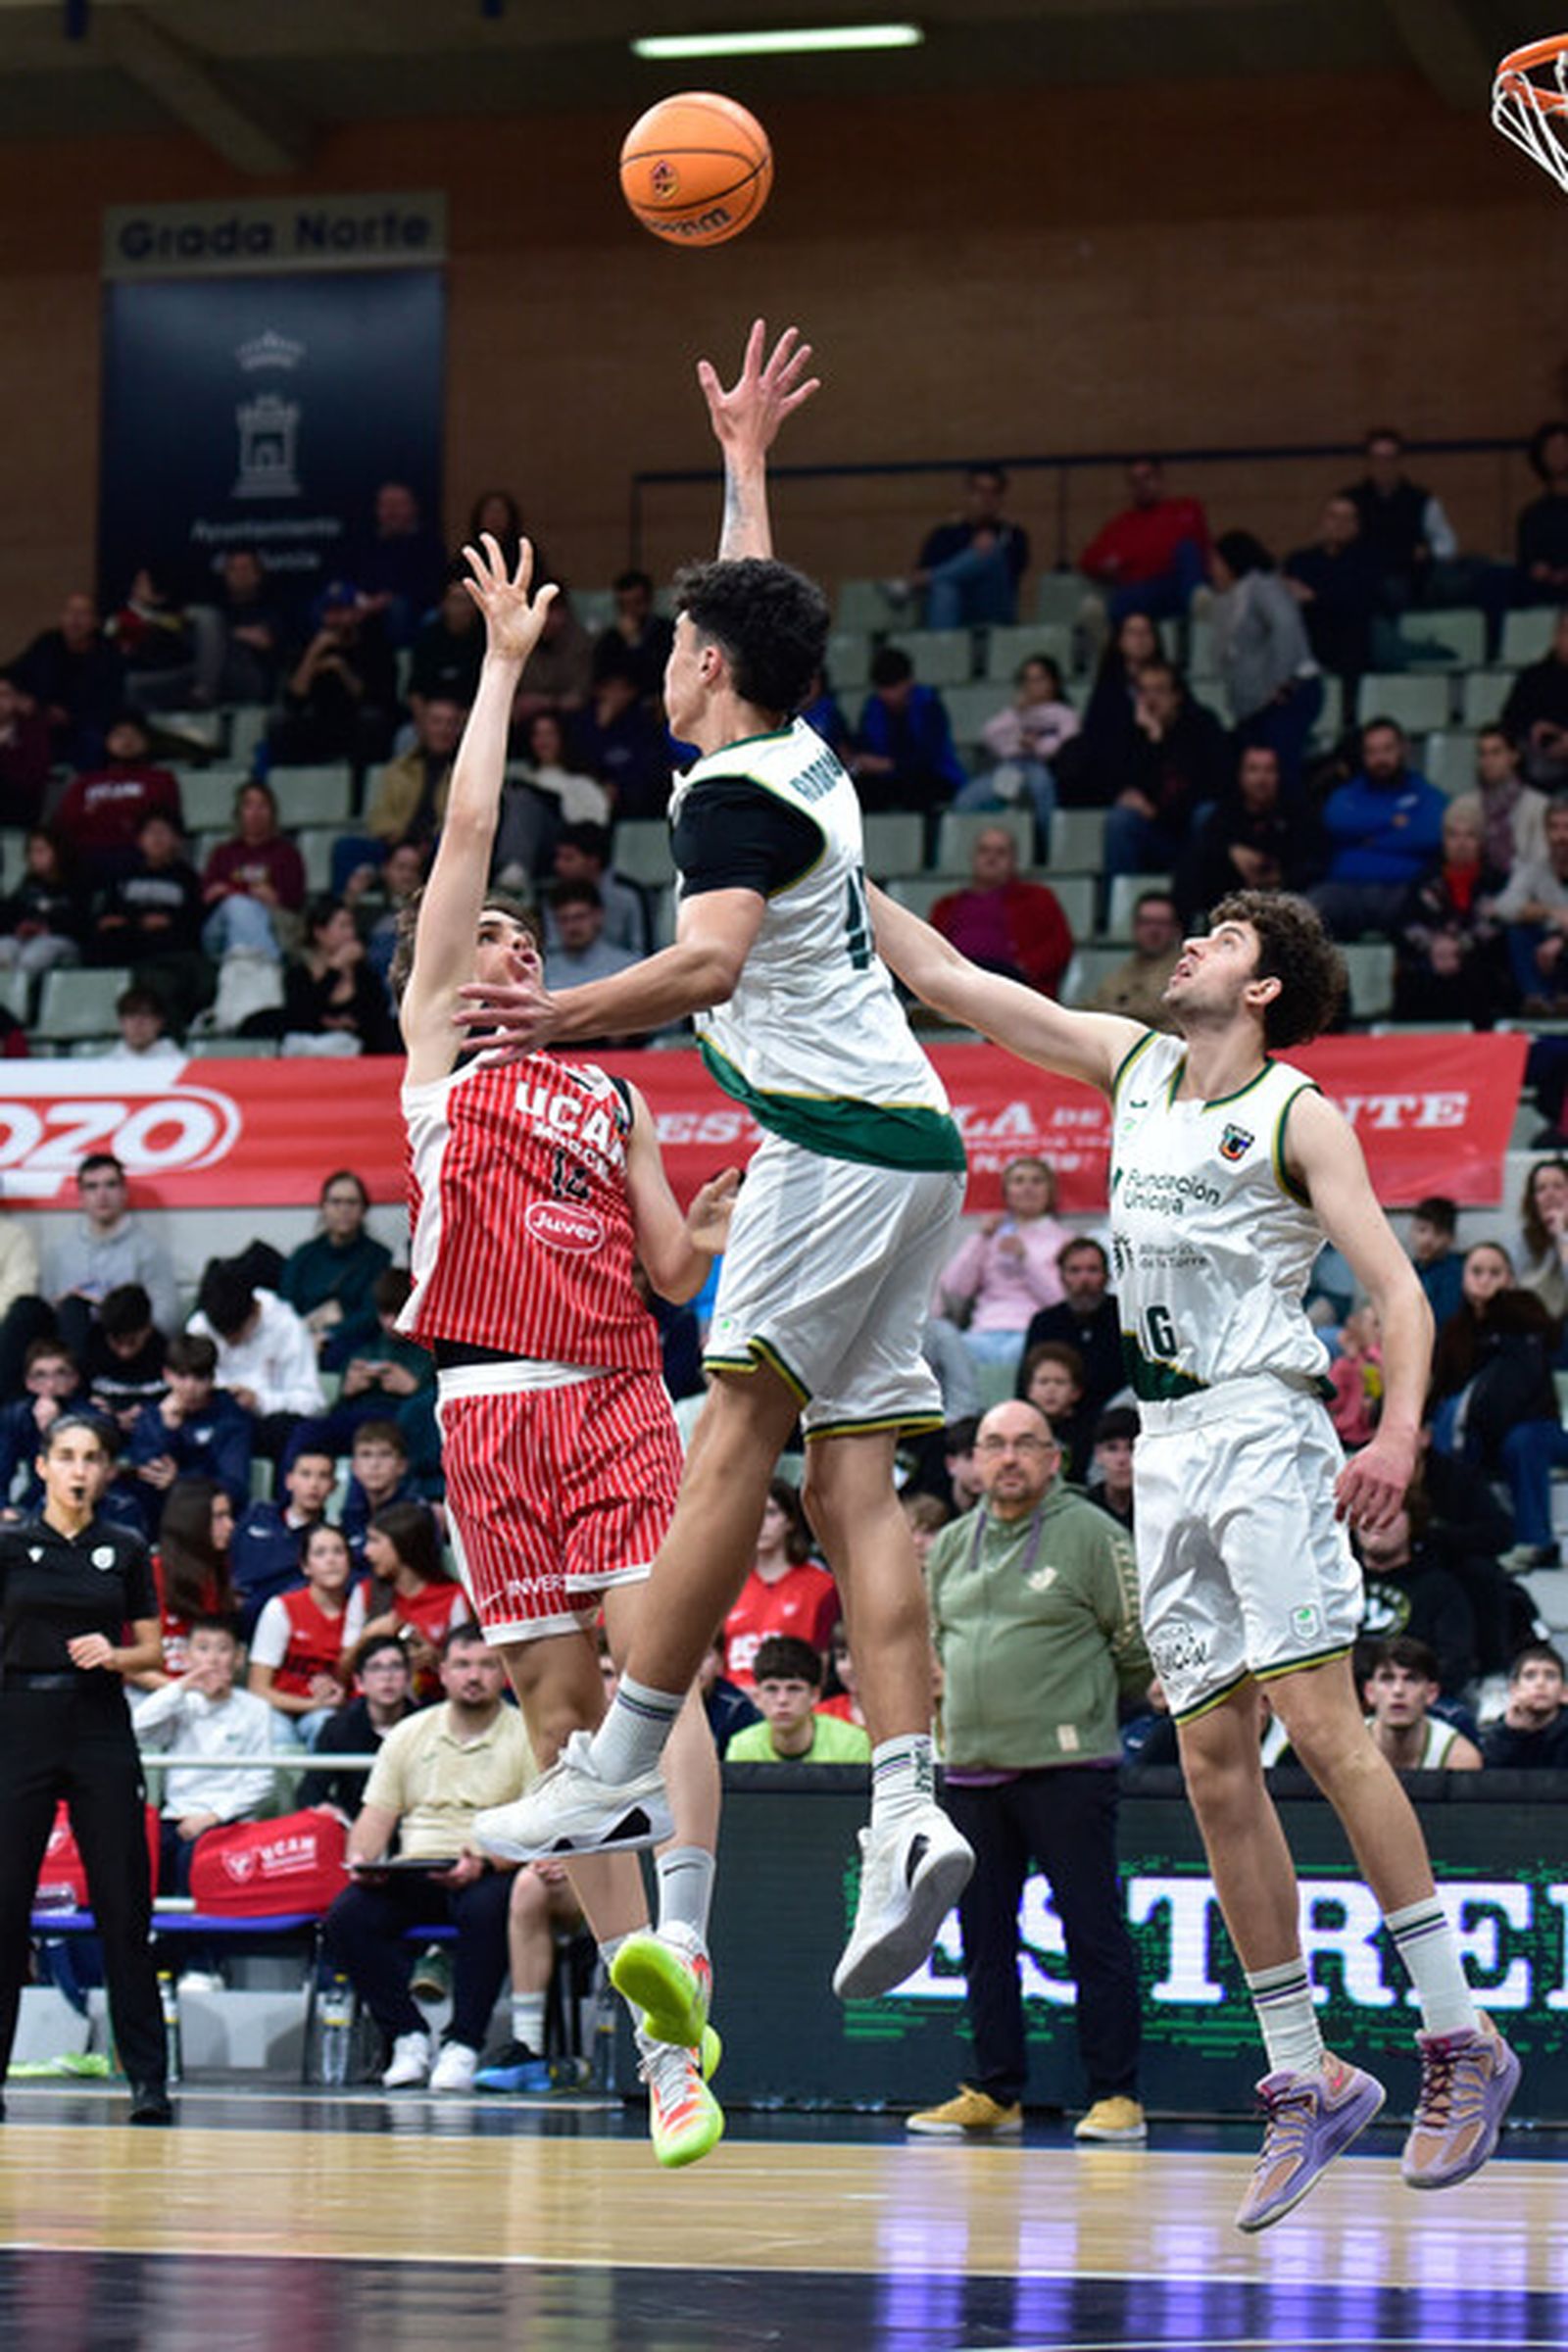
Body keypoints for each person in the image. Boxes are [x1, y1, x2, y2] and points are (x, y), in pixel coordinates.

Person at [867, 879, 1519, 2229]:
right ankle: (1306, 2073)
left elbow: (1398, 1289)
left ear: (1267, 985)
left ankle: (1459, 2037)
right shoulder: (1136, 1064)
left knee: (1324, 1734)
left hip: (1266, 1433)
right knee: (1214, 1764)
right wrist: (825, 850)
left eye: (1223, 938)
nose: (1192, 949)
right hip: (1162, 1450)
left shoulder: (1297, 1113)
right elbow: (951, 982)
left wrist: (1394, 1435)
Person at [457, 319, 975, 2012]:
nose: (663, 659)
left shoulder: (724, 810)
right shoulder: (792, 747)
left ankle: (613, 1759)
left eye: (674, 645)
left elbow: (708, 968)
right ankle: (906, 1809)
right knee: (858, 1486)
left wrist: (557, 1026)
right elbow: (757, 607)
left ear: (700, 670)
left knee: (733, 1440)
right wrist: (746, 461)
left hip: (827, 1148)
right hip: (914, 1143)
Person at [383, 526, 738, 2170]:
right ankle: (663, 2035)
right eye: (487, 944)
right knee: (555, 1703)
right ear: (443, 981)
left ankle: (705, 1947)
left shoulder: (609, 1087)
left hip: (613, 1392)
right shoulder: (437, 1076)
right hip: (483, 1412)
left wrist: (743, 1206)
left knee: (651, 1662)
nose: (512, 952)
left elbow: (673, 1267)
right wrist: (506, 664)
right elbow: (463, 825)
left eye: (533, 943)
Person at [909, 1397, 1150, 2144]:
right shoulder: (949, 1545)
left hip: (1067, 1767)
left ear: (1054, 1459)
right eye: (994, 1445)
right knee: (982, 1939)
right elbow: (929, 1642)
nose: (1008, 1457)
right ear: (974, 1461)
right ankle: (995, 2089)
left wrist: (1075, 1701)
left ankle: (1116, 2095)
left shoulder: (1093, 1536)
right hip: (972, 1768)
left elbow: (1135, 1644)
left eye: (1025, 1444)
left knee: (1092, 1933)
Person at [0, 1413, 169, 2123]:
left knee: (124, 1909)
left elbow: (154, 1652)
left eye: (92, 1457)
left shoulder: (125, 1548)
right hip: (19, 1723)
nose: (78, 1469)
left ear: (106, 1470)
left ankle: (148, 2083)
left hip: (99, 1724)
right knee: (6, 1910)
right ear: (42, 1466)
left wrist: (115, 1653)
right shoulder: (9, 1546)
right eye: (65, 1456)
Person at [322, 1623, 564, 2092]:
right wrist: (363, 1860)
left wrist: (488, 1861)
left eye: (487, 1665)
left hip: (489, 1865)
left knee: (487, 1905)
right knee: (347, 1915)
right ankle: (406, 2035)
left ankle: (462, 2043)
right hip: (417, 1865)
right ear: (442, 1674)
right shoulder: (410, 1734)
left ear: (504, 1674)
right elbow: (376, 1816)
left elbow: (539, 1829)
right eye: (462, 1664)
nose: (474, 1675)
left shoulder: (524, 1735)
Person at [133, 1615, 276, 1892]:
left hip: (228, 1819)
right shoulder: (180, 1703)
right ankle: (154, 1935)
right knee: (144, 1854)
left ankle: (191, 1935)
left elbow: (262, 1779)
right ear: (186, 1657)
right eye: (203, 1649)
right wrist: (182, 1685)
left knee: (193, 1859)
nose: (213, 1659)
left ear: (237, 1658)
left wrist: (213, 1817)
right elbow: (136, 1727)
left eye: (223, 1649)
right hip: (176, 1816)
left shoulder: (256, 1709)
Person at [938, 1154, 1069, 1391]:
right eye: (1018, 1181)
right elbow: (955, 1287)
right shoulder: (991, 1235)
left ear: (1050, 1191)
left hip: (1030, 1331)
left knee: (1019, 1355)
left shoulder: (1063, 1238)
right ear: (1007, 1191)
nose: (1027, 1187)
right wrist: (980, 1238)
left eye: (1037, 1181)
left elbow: (1061, 1301)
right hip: (983, 1331)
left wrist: (1025, 1261)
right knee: (942, 1340)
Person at [1309, 719, 1446, 940]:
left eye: (1387, 749)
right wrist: (1392, 820)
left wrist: (1367, 840)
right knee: (1306, 914)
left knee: (1432, 909)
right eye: (1372, 752)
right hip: (1346, 888)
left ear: (1404, 749)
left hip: (1403, 890)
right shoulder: (1347, 795)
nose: (1380, 759)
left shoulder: (1426, 793)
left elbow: (1431, 832)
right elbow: (1336, 820)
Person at [1206, 531, 1323, 792]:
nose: (1211, 569)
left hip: (1284, 697)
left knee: (1281, 775)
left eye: (1215, 562)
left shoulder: (1263, 587)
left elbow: (1286, 625)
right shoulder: (1232, 599)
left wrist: (1279, 681)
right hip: (1255, 707)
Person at [1102, 662, 1230, 879]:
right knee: (1119, 821)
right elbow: (1122, 786)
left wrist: (1157, 812)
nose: (1151, 699)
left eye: (1159, 690)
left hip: (1192, 829)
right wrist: (1153, 740)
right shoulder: (1133, 732)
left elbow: (1213, 786)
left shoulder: (1202, 725)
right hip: (1155, 834)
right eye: (1144, 691)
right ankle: (1120, 903)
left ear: (1176, 695)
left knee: (1207, 814)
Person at [44, 1152, 179, 1358]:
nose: (102, 1195)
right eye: (92, 1187)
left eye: (111, 1185)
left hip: (127, 1346)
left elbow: (168, 1319)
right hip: (72, 1349)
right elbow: (47, 1311)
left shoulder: (149, 1251)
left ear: (124, 1192)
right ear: (80, 1196)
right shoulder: (60, 1252)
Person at [1392, 795, 1509, 1027]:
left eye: (1470, 835)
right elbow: (1405, 925)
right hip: (1431, 963)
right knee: (1414, 979)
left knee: (1479, 976)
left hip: (1477, 966)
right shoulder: (1425, 880)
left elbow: (1499, 923)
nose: (1461, 843)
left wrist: (1458, 947)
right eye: (1453, 835)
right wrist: (1434, 946)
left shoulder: (1496, 881)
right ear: (1444, 840)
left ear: (1481, 842)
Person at [186, 1264, 324, 1462]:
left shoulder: (287, 1326)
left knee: (292, 1431)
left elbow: (313, 1403)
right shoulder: (201, 1325)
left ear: (255, 1310)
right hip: (214, 1416)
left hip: (266, 1423)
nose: (229, 1343)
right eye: (222, 1336)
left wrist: (259, 1401)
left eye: (236, 1334)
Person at [247, 1519, 365, 1746]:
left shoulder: (360, 1608)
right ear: (306, 1566)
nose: (331, 1560)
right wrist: (311, 1705)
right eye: (320, 1553)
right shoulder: (281, 1608)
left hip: (333, 1710)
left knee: (328, 1725)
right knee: (277, 1734)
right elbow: (258, 1689)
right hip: (280, 1708)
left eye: (338, 1552)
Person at [1174, 747, 1320, 929]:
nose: (1261, 779)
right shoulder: (1226, 812)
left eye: (1269, 770)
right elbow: (1204, 849)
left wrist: (1281, 876)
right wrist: (1231, 852)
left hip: (1284, 897)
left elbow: (1315, 860)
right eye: (1253, 770)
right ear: (1241, 776)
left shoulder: (1298, 813)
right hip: (1231, 895)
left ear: (1279, 776)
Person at [125, 1334, 253, 1535]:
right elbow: (146, 1470)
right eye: (182, 1376)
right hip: (155, 1517)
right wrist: (167, 1431)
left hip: (209, 1523)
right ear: (167, 1375)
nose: (190, 1387)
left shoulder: (231, 1419)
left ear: (212, 1378)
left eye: (199, 1378)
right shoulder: (152, 1417)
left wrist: (182, 1482)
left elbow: (235, 1485)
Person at [928, 827, 1073, 998]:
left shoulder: (1038, 898)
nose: (991, 858)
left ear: (1014, 860)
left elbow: (1060, 945)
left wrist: (1025, 967)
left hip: (1009, 982)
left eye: (1001, 852)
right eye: (984, 851)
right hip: (955, 979)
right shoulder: (945, 905)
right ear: (973, 857)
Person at [721, 1478, 838, 1687]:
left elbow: (824, 1657)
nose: (760, 1523)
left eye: (770, 1513)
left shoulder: (821, 1585)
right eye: (752, 1513)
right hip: (732, 1703)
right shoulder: (726, 1583)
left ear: (790, 1520)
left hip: (790, 1698)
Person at [278, 1170, 393, 1371]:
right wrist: (304, 1337)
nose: (344, 1210)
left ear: (363, 1209)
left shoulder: (378, 1257)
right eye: (336, 1202)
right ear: (323, 1207)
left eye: (351, 1203)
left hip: (351, 1342)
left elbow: (372, 1314)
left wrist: (329, 1334)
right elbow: (285, 1305)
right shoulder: (304, 1255)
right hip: (302, 1339)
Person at [1078, 456, 1210, 623]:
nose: (1141, 485)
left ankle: (1199, 608)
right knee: (1124, 599)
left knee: (1187, 550)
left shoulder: (1186, 510)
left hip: (1178, 587)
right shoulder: (1121, 525)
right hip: (1140, 593)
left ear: (1160, 480)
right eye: (1134, 481)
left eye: (1147, 477)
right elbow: (1088, 561)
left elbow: (1203, 552)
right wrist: (1114, 563)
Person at [299, 1633, 418, 1816]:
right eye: (376, 1668)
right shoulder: (337, 1728)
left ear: (409, 1678)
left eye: (396, 1667)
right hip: (354, 1828)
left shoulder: (426, 1725)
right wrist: (330, 1813)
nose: (387, 1677)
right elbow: (310, 1793)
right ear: (359, 1682)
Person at [899, 464, 1032, 629]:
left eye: (993, 493)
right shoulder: (944, 534)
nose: (986, 499)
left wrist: (981, 554)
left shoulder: (1013, 534)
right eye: (980, 492)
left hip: (994, 608)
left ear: (1001, 499)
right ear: (968, 495)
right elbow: (922, 569)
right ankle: (944, 650)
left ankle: (915, 583)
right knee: (945, 590)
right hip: (953, 607)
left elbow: (1010, 576)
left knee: (990, 550)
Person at [228, 1443, 335, 1641]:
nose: (314, 1484)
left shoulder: (328, 1542)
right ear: (289, 1481)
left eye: (323, 1476)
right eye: (306, 1474)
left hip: (276, 1626)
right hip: (228, 1614)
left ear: (333, 1486)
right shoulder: (255, 1515)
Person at [1284, 495, 1381, 712]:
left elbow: (1356, 602)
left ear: (1357, 526)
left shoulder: (1367, 563)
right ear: (1322, 521)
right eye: (1333, 517)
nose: (1339, 524)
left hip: (1348, 651)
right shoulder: (1301, 560)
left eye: (1347, 519)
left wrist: (1315, 598)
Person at [851, 646, 967, 822]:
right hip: (887, 778)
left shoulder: (928, 705)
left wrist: (891, 765)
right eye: (883, 688)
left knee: (919, 790)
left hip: (931, 774)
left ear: (908, 682)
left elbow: (928, 756)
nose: (889, 695)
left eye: (893, 687)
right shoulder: (872, 707)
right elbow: (863, 746)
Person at [1019, 1238, 1124, 1425]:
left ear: (1107, 1276)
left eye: (1092, 1270)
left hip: (1114, 1423)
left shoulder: (1125, 1318)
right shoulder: (1044, 1323)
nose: (1084, 1279)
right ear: (1061, 1277)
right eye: (1074, 1270)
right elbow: (1025, 1385)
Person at [200, 781, 306, 961]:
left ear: (272, 813)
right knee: (237, 905)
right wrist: (247, 893)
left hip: (274, 925)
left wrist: (274, 899)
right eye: (248, 806)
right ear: (239, 813)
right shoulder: (223, 853)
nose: (255, 813)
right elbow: (208, 897)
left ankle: (244, 967)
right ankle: (267, 964)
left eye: (262, 806)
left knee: (241, 916)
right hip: (221, 929)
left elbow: (294, 901)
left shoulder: (287, 854)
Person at [724, 1635, 872, 1763]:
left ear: (814, 1695)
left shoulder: (852, 1743)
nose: (782, 1700)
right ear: (757, 1697)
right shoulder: (742, 1747)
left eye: (794, 1689)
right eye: (771, 1689)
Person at [282, 898, 400, 1056]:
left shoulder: (365, 974)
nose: (350, 933)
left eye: (351, 926)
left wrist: (349, 1025)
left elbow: (377, 1019)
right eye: (343, 926)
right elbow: (301, 1017)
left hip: (360, 1058)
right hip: (312, 1057)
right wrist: (334, 969)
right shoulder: (298, 975)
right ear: (319, 932)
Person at [1495, 791, 1568, 1016]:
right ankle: (1537, 1001)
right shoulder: (1536, 868)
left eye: (1566, 827)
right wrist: (1551, 913)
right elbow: (1504, 906)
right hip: (1547, 950)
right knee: (1518, 931)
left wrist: (1562, 939)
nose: (1561, 836)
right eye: (1554, 828)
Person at [1362, 1637, 1482, 1773]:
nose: (1398, 1690)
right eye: (1387, 1679)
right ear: (1370, 1692)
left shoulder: (1459, 1758)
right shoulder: (1345, 1748)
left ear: (1431, 1693)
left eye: (1411, 1679)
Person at [0, 827, 85, 987]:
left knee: (35, 955)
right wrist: (20, 927)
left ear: (58, 852)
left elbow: (82, 921)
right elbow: (11, 914)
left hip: (61, 941)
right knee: (3, 948)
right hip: (27, 940)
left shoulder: (76, 883)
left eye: (41, 851)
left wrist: (48, 928)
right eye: (31, 851)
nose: (35, 857)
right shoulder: (28, 884)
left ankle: (22, 1002)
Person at [1086, 887, 1182, 1028]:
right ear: (1135, 927)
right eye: (1146, 922)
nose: (1153, 930)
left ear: (1176, 929)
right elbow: (1093, 1007)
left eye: (1162, 923)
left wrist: (1115, 1011)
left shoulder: (1185, 970)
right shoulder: (1121, 972)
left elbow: (1159, 1011)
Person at [1501, 612, 1568, 792]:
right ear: (1557, 636)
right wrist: (1537, 730)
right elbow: (1510, 723)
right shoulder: (1532, 679)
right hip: (1541, 766)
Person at [1480, 1642, 1568, 1768]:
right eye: (1530, 1676)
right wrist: (1510, 1734)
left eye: (1550, 1676)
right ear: (1514, 1689)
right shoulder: (1496, 1735)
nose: (1540, 1683)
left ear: (1564, 1692)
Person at [1406, 1197, 1464, 1333]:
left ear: (1451, 1238)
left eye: (1438, 1233)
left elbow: (1444, 1320)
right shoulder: (1408, 1270)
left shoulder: (1455, 1272)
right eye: (1422, 1230)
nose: (1427, 1239)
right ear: (1412, 1231)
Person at [1087, 1403, 1138, 1532]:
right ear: (1098, 1455)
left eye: (1131, 1448)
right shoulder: (1086, 1508)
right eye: (1112, 1449)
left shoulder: (1159, 1507)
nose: (1121, 1459)